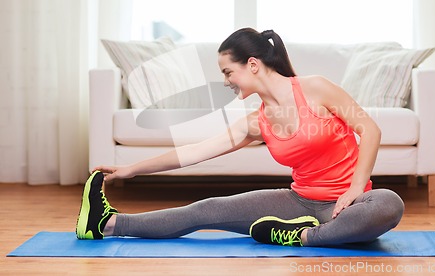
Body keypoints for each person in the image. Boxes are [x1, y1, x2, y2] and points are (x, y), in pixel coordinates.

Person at [76, 28, 404, 247]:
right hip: (299, 202)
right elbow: (194, 151)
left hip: (351, 205)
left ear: (252, 65)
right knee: (206, 210)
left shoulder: (315, 88)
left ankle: (302, 237)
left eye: (228, 72)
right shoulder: (255, 123)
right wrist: (131, 169)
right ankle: (107, 223)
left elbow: (369, 129)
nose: (227, 81)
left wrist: (355, 189)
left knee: (389, 204)